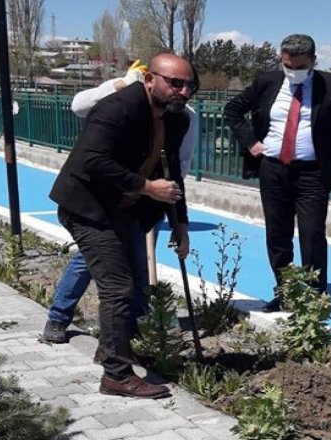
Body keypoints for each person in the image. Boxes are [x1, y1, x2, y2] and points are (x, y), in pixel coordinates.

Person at [49, 53, 196, 398]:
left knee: (133, 286)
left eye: (190, 85)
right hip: (88, 207)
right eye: (175, 83)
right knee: (118, 288)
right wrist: (146, 188)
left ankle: (110, 349)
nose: (184, 92)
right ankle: (116, 375)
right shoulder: (117, 107)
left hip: (125, 211)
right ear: (149, 79)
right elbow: (92, 160)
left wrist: (181, 224)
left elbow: (171, 172)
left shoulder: (178, 121)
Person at [223, 34, 331, 312]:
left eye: (299, 66)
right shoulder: (267, 81)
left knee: (312, 234)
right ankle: (284, 292)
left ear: (313, 61)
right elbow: (233, 110)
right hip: (273, 169)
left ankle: (314, 297)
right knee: (277, 234)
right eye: (288, 65)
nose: (293, 71)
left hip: (313, 172)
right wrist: (250, 142)